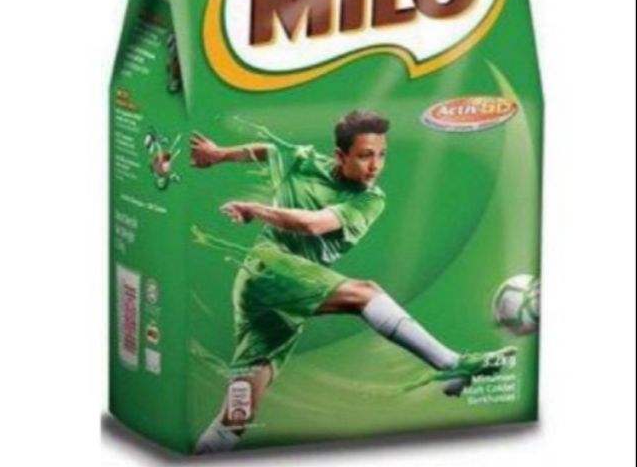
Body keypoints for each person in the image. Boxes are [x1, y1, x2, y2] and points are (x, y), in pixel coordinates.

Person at [191, 110, 514, 454]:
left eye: (382, 155)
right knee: (365, 293)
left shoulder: (370, 199)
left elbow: (314, 224)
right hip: (267, 268)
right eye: (365, 155)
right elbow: (269, 150)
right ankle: (451, 364)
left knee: (238, 416)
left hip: (287, 294)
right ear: (340, 156)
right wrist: (219, 154)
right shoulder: (303, 161)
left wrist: (256, 209)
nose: (375, 166)